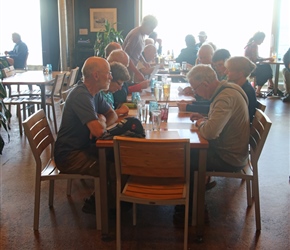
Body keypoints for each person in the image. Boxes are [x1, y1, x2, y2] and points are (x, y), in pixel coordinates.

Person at [54, 57, 118, 177]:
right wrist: (101, 122)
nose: (111, 77)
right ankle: (100, 196)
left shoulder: (95, 93)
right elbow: (99, 132)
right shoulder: (81, 95)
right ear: (96, 76)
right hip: (70, 156)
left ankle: (104, 195)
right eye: (108, 73)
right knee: (114, 169)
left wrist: (101, 124)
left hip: (83, 148)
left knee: (119, 158)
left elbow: (112, 115)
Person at [188, 65, 250, 173]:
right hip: (233, 152)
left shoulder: (225, 98)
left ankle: (195, 189)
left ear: (205, 84)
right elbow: (225, 120)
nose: (195, 93)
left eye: (195, 89)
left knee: (184, 156)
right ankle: (197, 186)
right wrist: (206, 119)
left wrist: (201, 122)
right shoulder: (228, 88)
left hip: (228, 158)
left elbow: (210, 133)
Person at [122, 15, 158, 82]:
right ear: (145, 25)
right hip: (127, 69)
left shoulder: (142, 34)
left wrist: (144, 62)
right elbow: (126, 56)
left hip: (132, 68)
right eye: (151, 28)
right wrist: (137, 72)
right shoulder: (135, 35)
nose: (152, 31)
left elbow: (137, 51)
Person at [224, 56, 257, 122]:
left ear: (240, 74)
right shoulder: (240, 87)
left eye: (229, 70)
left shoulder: (246, 91)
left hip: (238, 129)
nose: (225, 72)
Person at [244, 31, 274, 97]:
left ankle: (271, 84)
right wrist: (268, 59)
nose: (262, 41)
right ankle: (261, 89)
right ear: (259, 39)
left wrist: (267, 59)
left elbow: (255, 57)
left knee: (266, 66)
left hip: (247, 66)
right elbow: (255, 59)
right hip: (251, 68)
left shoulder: (250, 44)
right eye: (262, 40)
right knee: (265, 69)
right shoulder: (254, 45)